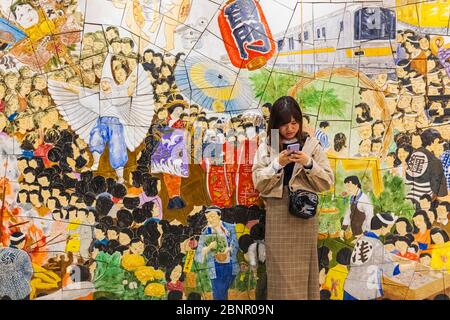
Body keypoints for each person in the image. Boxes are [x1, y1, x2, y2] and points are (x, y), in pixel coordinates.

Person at [252, 96, 334, 300]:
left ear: (300, 122)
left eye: (294, 123)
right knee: (279, 275)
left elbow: (328, 181)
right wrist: (276, 164)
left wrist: (309, 163)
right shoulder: (267, 145)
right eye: (283, 124)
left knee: (304, 273)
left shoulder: (312, 145)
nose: (290, 129)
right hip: (278, 216)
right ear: (275, 124)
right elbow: (258, 182)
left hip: (304, 218)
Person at [343, 213, 415, 300]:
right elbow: (392, 269)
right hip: (364, 291)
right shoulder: (377, 245)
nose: (389, 231)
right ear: (382, 227)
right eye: (388, 227)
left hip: (350, 286)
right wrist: (411, 266)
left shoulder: (363, 238)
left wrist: (390, 256)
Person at [194, 206, 239, 300]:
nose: (210, 220)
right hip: (214, 267)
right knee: (219, 292)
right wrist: (209, 247)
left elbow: (236, 244)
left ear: (219, 216)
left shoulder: (230, 227)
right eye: (208, 218)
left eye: (212, 216)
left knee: (223, 291)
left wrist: (229, 249)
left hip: (230, 265)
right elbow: (198, 255)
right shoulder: (205, 232)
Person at [0, 232, 34, 300]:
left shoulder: (1, 251)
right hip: (21, 292)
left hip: (4, 292)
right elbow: (29, 272)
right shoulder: (23, 254)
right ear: (22, 242)